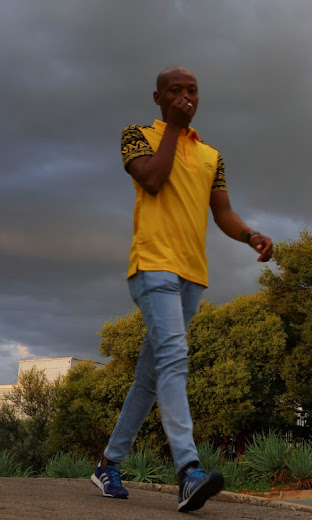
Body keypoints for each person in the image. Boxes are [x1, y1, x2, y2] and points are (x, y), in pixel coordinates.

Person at [91, 66, 273, 513]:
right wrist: (173, 128)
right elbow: (151, 179)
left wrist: (250, 235)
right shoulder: (136, 135)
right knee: (175, 357)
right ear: (158, 98)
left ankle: (107, 463)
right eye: (175, 91)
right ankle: (189, 471)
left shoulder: (212, 154)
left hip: (193, 274)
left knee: (150, 376)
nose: (184, 96)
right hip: (152, 267)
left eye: (191, 91)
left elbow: (223, 212)